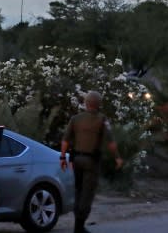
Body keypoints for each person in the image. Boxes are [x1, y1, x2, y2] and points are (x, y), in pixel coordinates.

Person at [60, 90, 123, 233]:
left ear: (86, 103)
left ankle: (78, 224)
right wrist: (117, 157)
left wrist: (63, 157)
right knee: (87, 193)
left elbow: (65, 140)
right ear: (99, 104)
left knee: (78, 190)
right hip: (91, 161)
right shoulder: (102, 119)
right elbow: (111, 142)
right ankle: (79, 226)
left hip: (76, 159)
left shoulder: (75, 119)